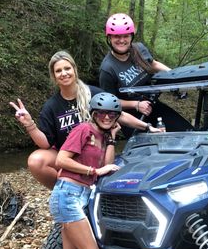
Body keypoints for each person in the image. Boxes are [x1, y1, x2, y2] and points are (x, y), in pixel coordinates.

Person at [10, 50, 159, 189]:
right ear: (54, 76)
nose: (64, 73)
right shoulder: (52, 106)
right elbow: (45, 143)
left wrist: (147, 127)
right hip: (68, 154)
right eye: (58, 71)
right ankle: (68, 191)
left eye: (67, 68)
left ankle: (89, 185)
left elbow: (119, 114)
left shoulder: (92, 93)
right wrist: (29, 124)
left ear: (74, 70)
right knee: (36, 160)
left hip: (97, 149)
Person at [50, 92, 122, 249]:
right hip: (67, 194)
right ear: (93, 113)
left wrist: (112, 138)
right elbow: (61, 160)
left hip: (78, 196)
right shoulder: (83, 129)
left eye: (111, 114)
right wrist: (93, 170)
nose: (106, 116)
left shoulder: (102, 136)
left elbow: (108, 167)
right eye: (101, 112)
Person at [99, 13, 192, 135]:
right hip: (131, 115)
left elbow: (153, 64)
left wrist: (174, 76)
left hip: (152, 104)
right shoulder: (107, 69)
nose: (121, 40)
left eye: (125, 36)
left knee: (184, 130)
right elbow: (109, 102)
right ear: (109, 38)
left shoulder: (138, 49)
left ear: (131, 36)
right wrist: (136, 104)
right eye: (117, 36)